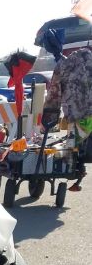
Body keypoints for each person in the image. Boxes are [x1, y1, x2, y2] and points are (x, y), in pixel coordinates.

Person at [42, 46, 92, 192]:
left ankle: (74, 169)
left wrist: (49, 117)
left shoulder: (64, 65)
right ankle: (78, 173)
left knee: (74, 145)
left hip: (75, 115)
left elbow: (54, 92)